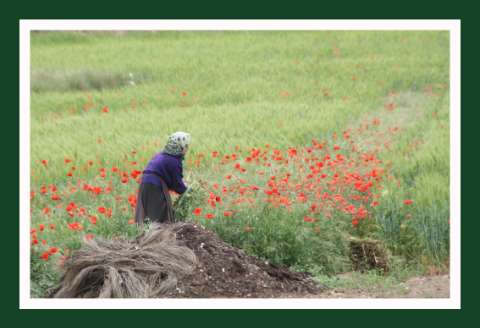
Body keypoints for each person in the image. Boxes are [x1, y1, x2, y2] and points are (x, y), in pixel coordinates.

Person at [135, 131, 191, 224]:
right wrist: (188, 192)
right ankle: (158, 237)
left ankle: (149, 235)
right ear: (181, 147)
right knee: (160, 215)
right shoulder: (174, 161)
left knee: (148, 214)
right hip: (155, 186)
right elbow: (177, 185)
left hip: (145, 183)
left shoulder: (161, 155)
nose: (187, 149)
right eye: (186, 146)